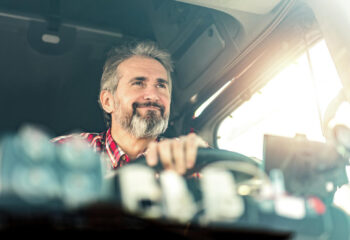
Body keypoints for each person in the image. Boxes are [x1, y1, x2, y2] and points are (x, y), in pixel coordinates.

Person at [52, 40, 207, 175]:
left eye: (160, 85)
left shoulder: (187, 158)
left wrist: (203, 164)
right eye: (138, 83)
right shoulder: (65, 154)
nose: (153, 95)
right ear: (107, 101)